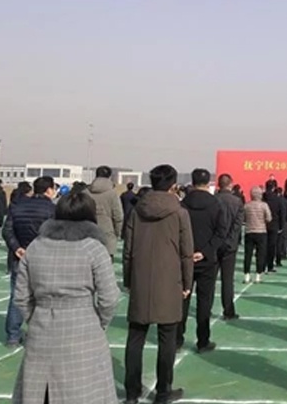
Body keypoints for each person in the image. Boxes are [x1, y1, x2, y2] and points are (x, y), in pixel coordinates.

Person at [11, 190, 120, 404]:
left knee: (40, 390)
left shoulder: (36, 246)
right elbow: (109, 297)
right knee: (84, 392)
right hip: (84, 327)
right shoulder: (93, 248)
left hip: (42, 327)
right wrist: (100, 323)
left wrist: (35, 318)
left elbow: (21, 296)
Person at [123, 164, 193, 404]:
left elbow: (128, 250)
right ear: (173, 185)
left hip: (141, 279)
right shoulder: (179, 212)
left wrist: (129, 279)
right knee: (167, 339)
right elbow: (186, 252)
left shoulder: (137, 211)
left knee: (135, 338)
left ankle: (131, 391)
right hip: (170, 280)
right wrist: (187, 282)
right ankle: (163, 391)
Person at [2, 176, 56, 348]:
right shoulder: (52, 209)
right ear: (49, 190)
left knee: (17, 296)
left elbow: (7, 230)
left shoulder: (17, 206)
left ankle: (13, 335)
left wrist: (16, 247)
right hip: (44, 257)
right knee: (45, 297)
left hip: (20, 256)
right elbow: (54, 234)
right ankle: (40, 334)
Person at [178, 169, 226, 352]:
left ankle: (177, 339)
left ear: (193, 182)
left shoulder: (182, 205)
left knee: (182, 299)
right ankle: (203, 340)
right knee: (205, 302)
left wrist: (187, 251)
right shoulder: (216, 204)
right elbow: (221, 232)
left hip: (184, 258)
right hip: (207, 260)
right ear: (208, 183)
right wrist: (205, 251)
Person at [215, 173, 245, 321]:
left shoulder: (213, 200)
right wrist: (231, 241)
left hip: (214, 245)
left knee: (209, 281)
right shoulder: (237, 202)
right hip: (230, 246)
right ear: (230, 184)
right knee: (227, 280)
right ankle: (228, 310)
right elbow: (237, 225)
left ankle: (205, 309)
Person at [84, 166, 124, 261]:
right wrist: (117, 233)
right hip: (107, 235)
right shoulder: (112, 193)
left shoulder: (85, 192)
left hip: (87, 235)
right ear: (109, 176)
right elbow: (118, 216)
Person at [243, 187, 272, 284]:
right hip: (261, 232)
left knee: (248, 254)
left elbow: (243, 218)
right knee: (260, 254)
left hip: (249, 231)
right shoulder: (264, 205)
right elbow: (269, 218)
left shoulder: (246, 205)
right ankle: (258, 275)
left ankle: (246, 275)